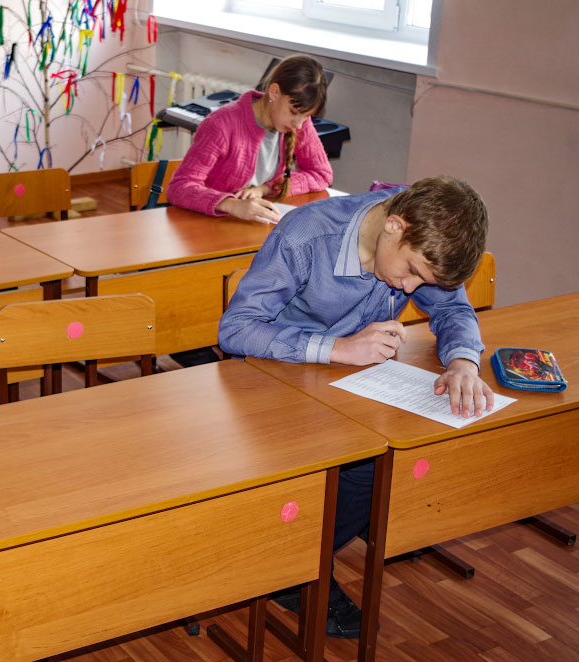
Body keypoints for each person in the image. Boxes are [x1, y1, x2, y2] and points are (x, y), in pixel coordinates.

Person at [218, 175, 494, 638]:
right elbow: (237, 329)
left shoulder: (418, 240)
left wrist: (464, 362)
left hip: (351, 384)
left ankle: (306, 552)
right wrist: (338, 348)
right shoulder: (308, 235)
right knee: (361, 466)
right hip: (272, 380)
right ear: (394, 225)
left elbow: (452, 310)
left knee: (385, 461)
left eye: (421, 281)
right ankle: (295, 568)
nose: (409, 287)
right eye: (410, 272)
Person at [167, 54, 333, 225]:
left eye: (306, 116)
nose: (298, 124)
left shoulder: (299, 124)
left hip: (257, 224)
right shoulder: (221, 124)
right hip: (212, 224)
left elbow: (321, 173)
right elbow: (180, 187)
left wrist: (265, 188)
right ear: (274, 92)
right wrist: (230, 204)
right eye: (293, 112)